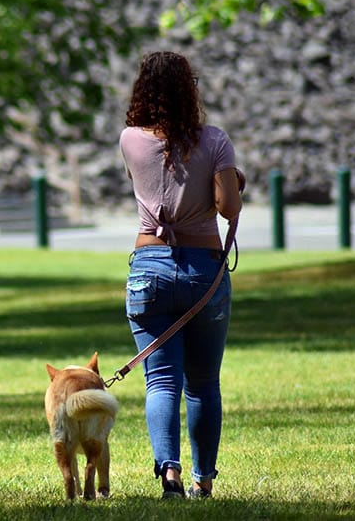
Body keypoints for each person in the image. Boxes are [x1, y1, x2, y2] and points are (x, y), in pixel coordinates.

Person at [119, 51, 244, 500]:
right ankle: (203, 480)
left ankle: (167, 474)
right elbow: (227, 206)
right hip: (202, 271)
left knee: (161, 380)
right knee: (204, 382)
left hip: (148, 271)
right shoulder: (215, 141)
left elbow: (161, 179)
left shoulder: (129, 139)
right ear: (190, 91)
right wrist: (230, 177)